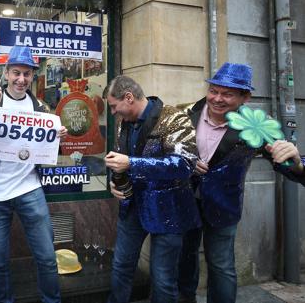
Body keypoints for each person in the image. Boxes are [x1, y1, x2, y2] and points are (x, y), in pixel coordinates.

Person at [178, 62, 305, 303]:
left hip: (223, 206)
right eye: (213, 91)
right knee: (185, 258)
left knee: (222, 265)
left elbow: (286, 163)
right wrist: (184, 162)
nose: (217, 98)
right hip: (185, 201)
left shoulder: (256, 125)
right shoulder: (185, 113)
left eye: (227, 94)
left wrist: (298, 162)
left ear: (245, 97)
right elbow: (166, 151)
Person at [0, 46, 68, 303]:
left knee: (46, 257)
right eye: (16, 73)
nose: (21, 79)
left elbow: (52, 149)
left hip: (29, 189)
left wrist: (59, 138)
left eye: (26, 74)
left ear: (33, 75)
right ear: (6, 72)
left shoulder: (42, 108)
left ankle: (51, 300)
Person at [104, 75, 199, 303]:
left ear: (128, 98)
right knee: (121, 267)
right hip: (132, 208)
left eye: (114, 107)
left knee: (163, 279)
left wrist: (132, 163)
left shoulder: (175, 118)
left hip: (169, 212)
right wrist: (115, 182)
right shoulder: (123, 123)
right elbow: (120, 160)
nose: (113, 113)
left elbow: (185, 165)